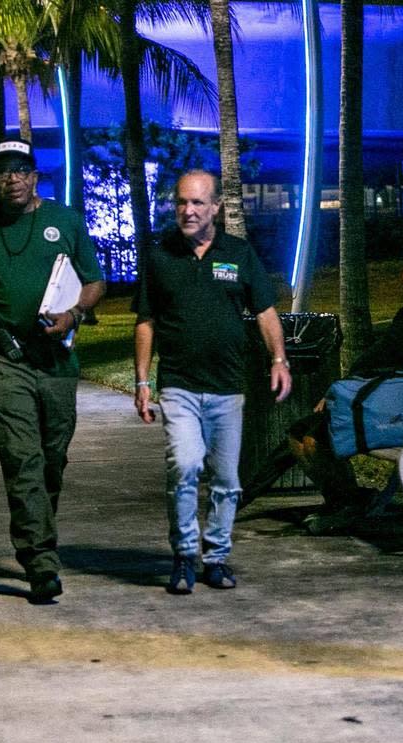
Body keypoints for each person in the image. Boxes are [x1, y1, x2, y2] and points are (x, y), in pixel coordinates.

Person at [243, 239, 403, 533]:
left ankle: (345, 506)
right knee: (299, 435)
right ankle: (347, 503)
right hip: (378, 404)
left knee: (311, 440)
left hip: (400, 415)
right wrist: (341, 392)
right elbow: (379, 362)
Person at [0, 139, 105, 604]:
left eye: (21, 170)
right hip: (5, 361)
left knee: (52, 458)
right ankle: (40, 558)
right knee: (22, 460)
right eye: (3, 171)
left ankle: (40, 527)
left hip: (57, 360)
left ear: (35, 176)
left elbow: (96, 281)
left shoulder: (65, 220)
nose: (12, 178)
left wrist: (74, 315)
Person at [133, 169, 292, 595]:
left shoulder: (238, 253)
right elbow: (145, 322)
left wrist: (280, 360)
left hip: (227, 388)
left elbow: (266, 313)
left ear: (216, 208)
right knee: (184, 466)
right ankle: (185, 555)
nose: (187, 210)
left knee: (226, 480)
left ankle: (216, 557)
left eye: (198, 203)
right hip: (179, 385)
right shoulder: (160, 255)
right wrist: (142, 381)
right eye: (182, 202)